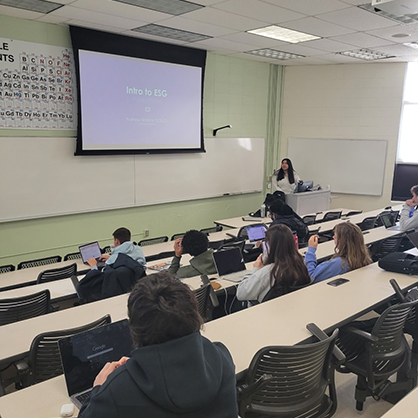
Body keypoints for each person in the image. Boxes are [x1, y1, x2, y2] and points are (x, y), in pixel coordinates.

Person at [78, 272, 238, 418]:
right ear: (195, 315)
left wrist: (98, 390)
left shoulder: (116, 390)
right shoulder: (222, 357)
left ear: (134, 329)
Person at [237, 224, 311, 305]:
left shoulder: (268, 271)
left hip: (262, 311)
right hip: (290, 306)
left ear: (270, 246)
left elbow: (240, 294)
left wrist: (256, 269)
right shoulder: (301, 263)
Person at [77, 227, 146, 302]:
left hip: (114, 295)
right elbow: (129, 261)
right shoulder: (138, 250)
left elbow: (100, 278)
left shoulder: (112, 260)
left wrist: (94, 266)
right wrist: (113, 257)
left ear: (116, 241)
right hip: (132, 292)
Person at [305, 222, 372, 283]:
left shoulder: (339, 264)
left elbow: (311, 277)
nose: (333, 237)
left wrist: (311, 251)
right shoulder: (363, 257)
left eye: (335, 236)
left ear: (342, 241)